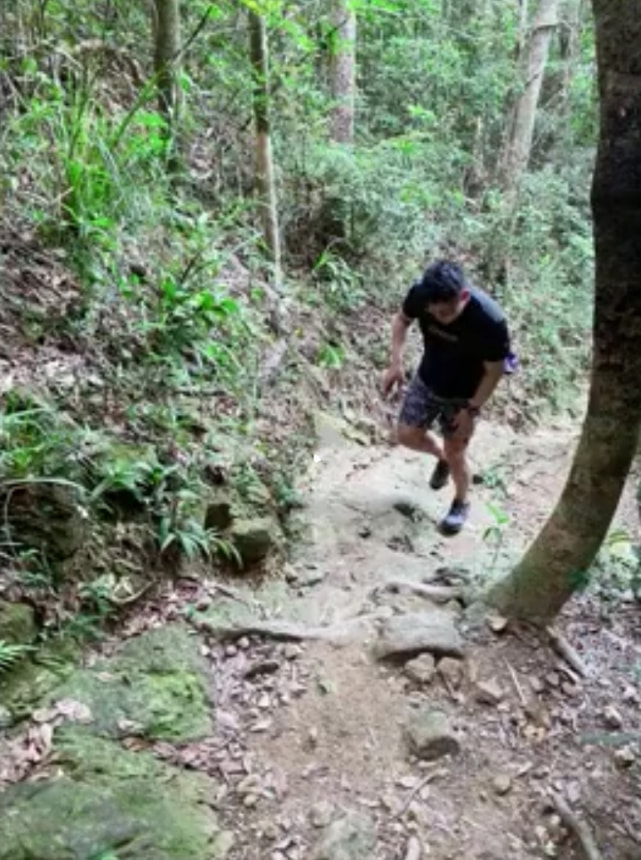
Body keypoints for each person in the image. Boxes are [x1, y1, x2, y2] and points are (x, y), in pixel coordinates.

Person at [383, 259, 512, 535]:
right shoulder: (422, 294)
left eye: (444, 312)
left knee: (457, 453)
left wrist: (472, 410)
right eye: (433, 311)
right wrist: (395, 363)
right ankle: (440, 457)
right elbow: (401, 320)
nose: (436, 315)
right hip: (428, 378)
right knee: (406, 434)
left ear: (463, 297)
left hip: (465, 393)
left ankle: (461, 502)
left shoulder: (489, 321)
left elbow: (495, 371)